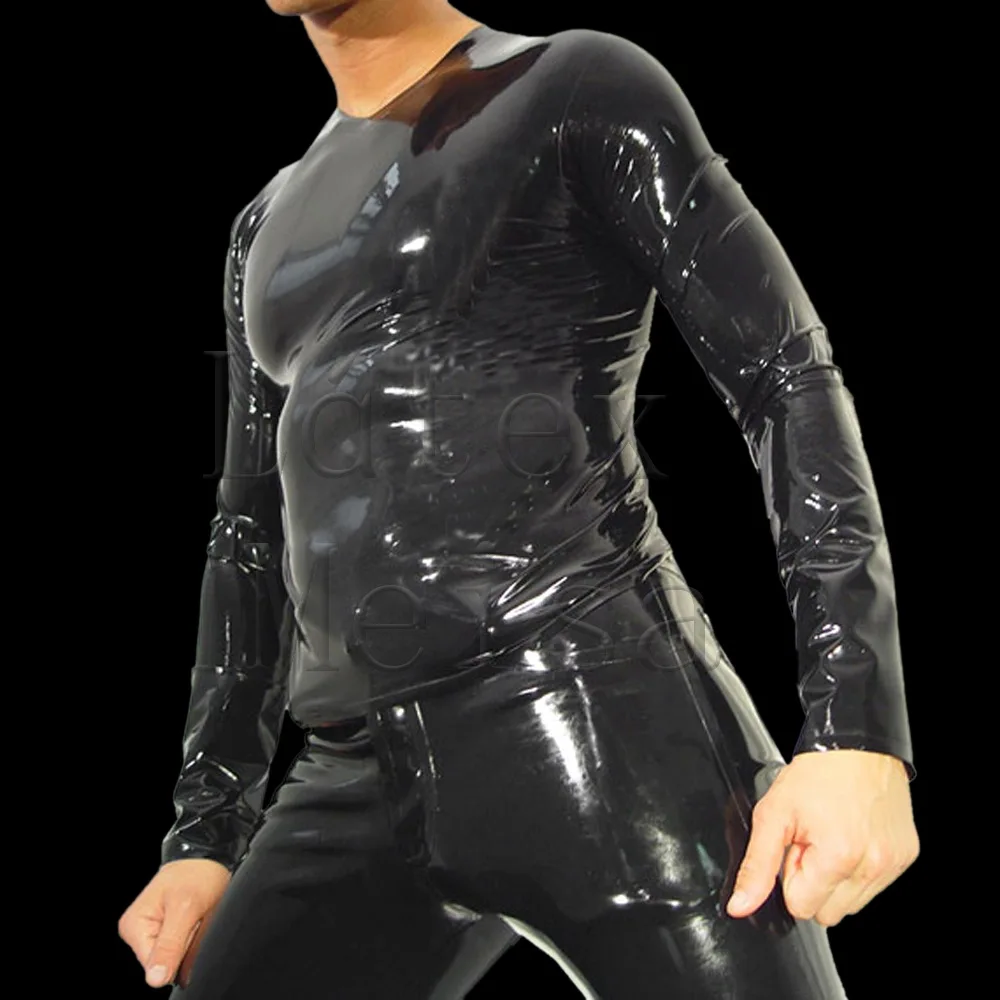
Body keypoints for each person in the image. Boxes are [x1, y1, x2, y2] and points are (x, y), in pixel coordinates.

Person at [118, 2, 920, 996]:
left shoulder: (574, 84)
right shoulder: (263, 227)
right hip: (352, 766)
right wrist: (207, 834)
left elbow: (784, 375)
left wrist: (854, 728)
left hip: (596, 718)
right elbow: (247, 533)